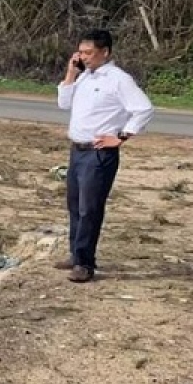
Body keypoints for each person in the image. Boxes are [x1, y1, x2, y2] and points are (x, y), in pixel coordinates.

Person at [55, 29, 154, 283]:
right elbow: (64, 104)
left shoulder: (118, 79)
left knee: (90, 209)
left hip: (99, 154)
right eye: (81, 52)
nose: (84, 57)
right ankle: (76, 254)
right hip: (77, 150)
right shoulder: (84, 77)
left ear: (105, 52)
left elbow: (143, 109)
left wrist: (121, 136)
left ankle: (85, 263)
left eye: (89, 53)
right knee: (75, 206)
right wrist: (71, 73)